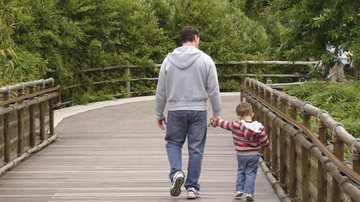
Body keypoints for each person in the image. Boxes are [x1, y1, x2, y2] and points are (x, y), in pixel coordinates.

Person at [155, 26, 221, 199]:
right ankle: (192, 188)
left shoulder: (168, 61)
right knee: (196, 149)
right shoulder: (205, 60)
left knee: (173, 143)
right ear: (196, 38)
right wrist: (216, 112)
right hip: (198, 110)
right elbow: (213, 89)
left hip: (176, 110)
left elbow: (161, 90)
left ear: (181, 39)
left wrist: (159, 113)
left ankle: (177, 173)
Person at [210, 102, 269, 201]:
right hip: (254, 154)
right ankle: (249, 193)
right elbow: (264, 140)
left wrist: (216, 121)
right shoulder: (259, 127)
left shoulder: (235, 125)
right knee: (251, 173)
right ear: (252, 114)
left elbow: (224, 124)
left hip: (241, 154)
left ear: (239, 115)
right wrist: (267, 145)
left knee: (241, 171)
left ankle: (239, 190)